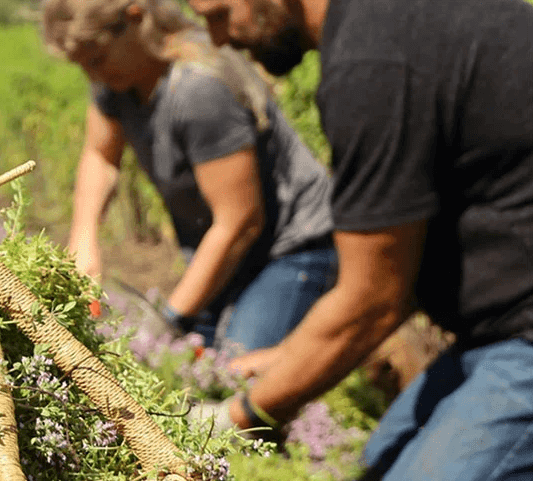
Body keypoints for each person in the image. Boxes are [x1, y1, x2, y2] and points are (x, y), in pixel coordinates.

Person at [186, 0, 533, 478]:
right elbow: (397, 263)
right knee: (376, 465)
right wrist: (290, 357)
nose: (219, 38)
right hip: (497, 330)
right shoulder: (388, 24)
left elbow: (373, 298)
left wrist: (238, 415)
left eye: (220, 13)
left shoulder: (373, 60)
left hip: (520, 335)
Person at [41, 0, 336, 354]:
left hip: (291, 247)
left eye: (97, 59)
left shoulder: (198, 86)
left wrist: (167, 322)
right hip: (226, 251)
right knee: (190, 363)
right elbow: (100, 155)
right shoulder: (116, 82)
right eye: (83, 66)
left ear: (135, 18)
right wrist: (84, 238)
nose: (93, 76)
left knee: (234, 371)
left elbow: (240, 221)